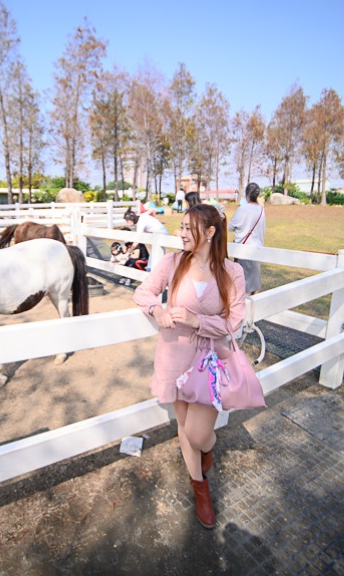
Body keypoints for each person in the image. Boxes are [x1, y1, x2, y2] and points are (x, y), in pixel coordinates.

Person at [133, 204, 246, 529]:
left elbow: (234, 320)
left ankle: (207, 449)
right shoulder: (171, 262)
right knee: (184, 427)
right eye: (180, 226)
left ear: (210, 233)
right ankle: (200, 486)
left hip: (210, 361)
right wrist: (157, 310)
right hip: (174, 356)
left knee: (199, 434)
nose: (181, 233)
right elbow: (143, 292)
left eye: (188, 228)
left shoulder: (231, 272)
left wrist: (198, 321)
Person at [227, 182, 266, 295]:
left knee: (243, 285)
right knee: (255, 284)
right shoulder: (261, 210)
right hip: (257, 249)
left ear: (247, 194)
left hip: (243, 250)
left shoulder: (242, 209)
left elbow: (230, 227)